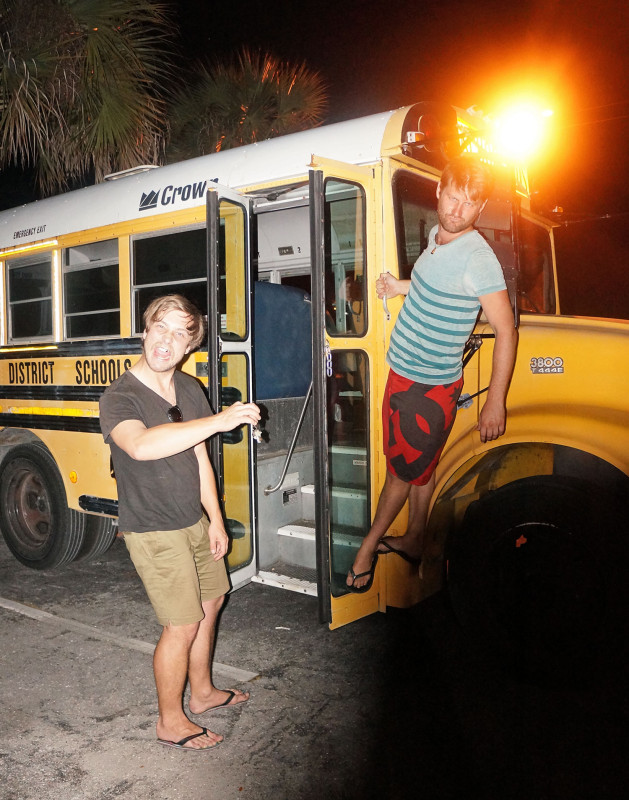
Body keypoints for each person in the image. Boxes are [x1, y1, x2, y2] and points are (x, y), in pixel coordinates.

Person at [346, 156, 518, 592]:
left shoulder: (478, 257)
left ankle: (366, 550)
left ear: (480, 209)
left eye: (470, 204)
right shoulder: (434, 237)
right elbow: (434, 285)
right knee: (423, 467)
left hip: (427, 388)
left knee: (401, 474)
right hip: (404, 373)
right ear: (439, 191)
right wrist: (399, 286)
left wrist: (495, 401)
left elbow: (506, 329)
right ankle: (415, 538)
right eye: (454, 198)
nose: (458, 210)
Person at [99, 294, 261, 750]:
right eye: (159, 327)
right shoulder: (120, 396)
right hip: (153, 526)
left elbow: (199, 457)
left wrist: (215, 519)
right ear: (144, 332)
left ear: (191, 345)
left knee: (212, 603)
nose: (166, 339)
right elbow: (142, 446)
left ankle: (204, 692)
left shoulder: (190, 389)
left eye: (179, 332)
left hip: (192, 520)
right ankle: (170, 720)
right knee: (181, 624)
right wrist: (220, 420)